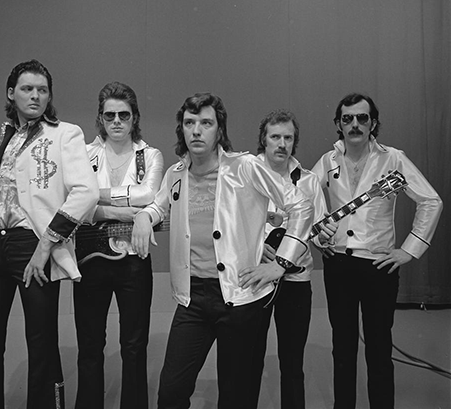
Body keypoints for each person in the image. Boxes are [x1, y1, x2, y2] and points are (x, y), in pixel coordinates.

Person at [132, 92, 314, 409]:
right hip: (192, 299)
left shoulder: (245, 167)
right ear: (181, 129)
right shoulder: (176, 174)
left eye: (206, 123)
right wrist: (144, 217)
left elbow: (301, 206)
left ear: (219, 130)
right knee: (171, 393)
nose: (196, 130)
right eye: (189, 123)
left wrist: (281, 263)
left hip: (239, 298)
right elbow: (158, 206)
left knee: (236, 396)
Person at [0, 59, 99, 409]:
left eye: (42, 90)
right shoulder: (8, 134)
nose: (35, 96)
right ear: (12, 93)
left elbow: (87, 192)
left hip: (33, 243)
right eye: (27, 89)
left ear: (49, 96)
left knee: (41, 342)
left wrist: (47, 244)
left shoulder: (65, 133)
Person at [311, 92, 443, 409]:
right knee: (342, 348)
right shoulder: (328, 161)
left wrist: (409, 250)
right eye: (347, 119)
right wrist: (319, 236)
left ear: (373, 123)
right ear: (339, 124)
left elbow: (430, 200)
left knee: (379, 348)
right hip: (338, 266)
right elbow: (305, 203)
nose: (355, 124)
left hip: (379, 268)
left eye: (362, 118)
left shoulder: (393, 159)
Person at [73, 82, 164, 409]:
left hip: (134, 261)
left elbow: (148, 195)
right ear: (100, 117)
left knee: (134, 347)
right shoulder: (84, 154)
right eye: (109, 115)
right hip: (89, 259)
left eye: (123, 115)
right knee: (89, 347)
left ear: (134, 117)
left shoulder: (150, 155)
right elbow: (74, 205)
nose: (116, 121)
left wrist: (95, 199)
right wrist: (121, 212)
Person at [247, 109, 337, 409]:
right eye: (275, 137)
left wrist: (326, 235)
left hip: (296, 279)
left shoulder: (308, 181)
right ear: (264, 139)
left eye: (288, 138)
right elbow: (232, 225)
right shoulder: (245, 175)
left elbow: (319, 232)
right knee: (249, 360)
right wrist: (257, 247)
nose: (282, 144)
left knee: (292, 362)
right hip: (255, 278)